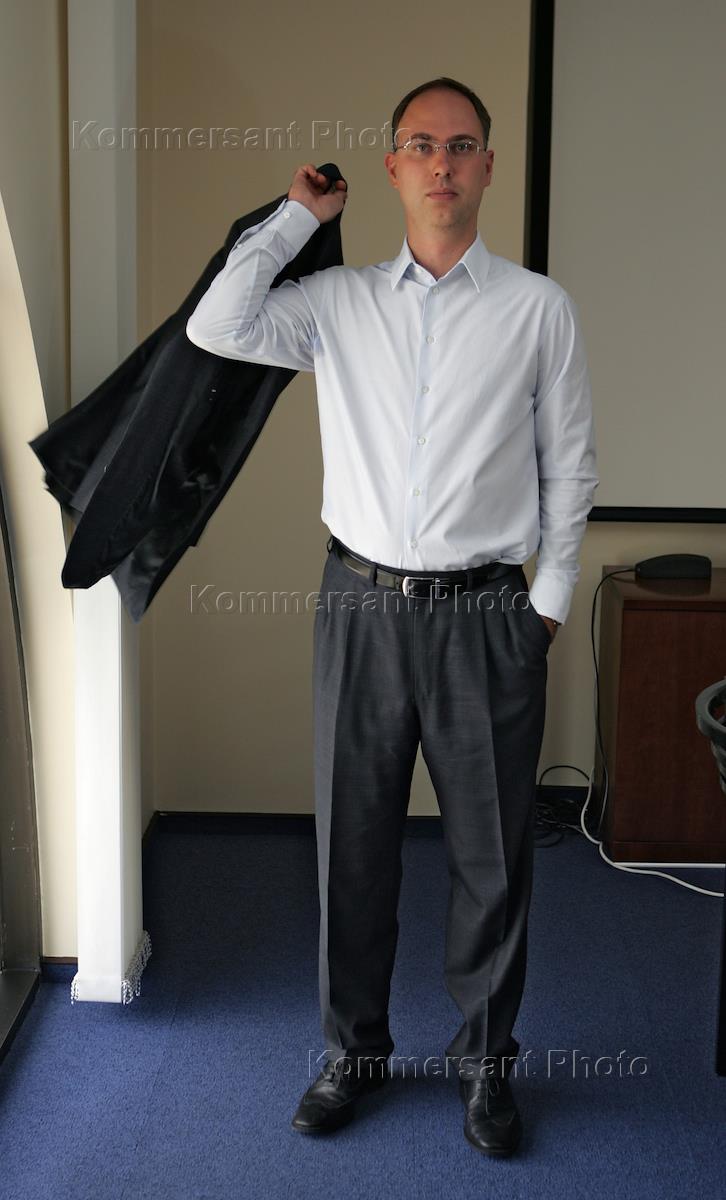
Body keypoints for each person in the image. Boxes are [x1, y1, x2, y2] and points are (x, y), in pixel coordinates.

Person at [186, 75, 598, 1158]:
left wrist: (546, 608)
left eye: (461, 146)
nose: (442, 163)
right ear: (393, 167)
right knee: (352, 851)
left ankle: (484, 1066)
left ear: (488, 166)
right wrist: (297, 219)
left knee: (493, 861)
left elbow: (571, 467)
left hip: (488, 619)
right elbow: (218, 323)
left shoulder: (538, 310)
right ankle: (353, 1055)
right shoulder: (336, 304)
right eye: (421, 145)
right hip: (360, 609)